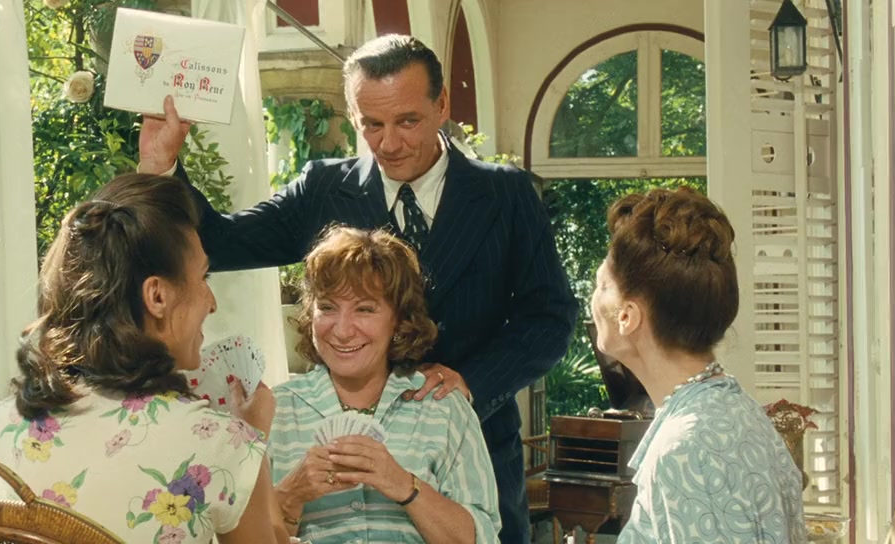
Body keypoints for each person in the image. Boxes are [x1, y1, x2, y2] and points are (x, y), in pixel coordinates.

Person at [138, 34, 576, 540]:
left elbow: (550, 318)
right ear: (352, 116)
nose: (389, 143)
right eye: (372, 124)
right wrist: (163, 167)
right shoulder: (324, 188)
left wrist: (471, 383)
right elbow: (221, 243)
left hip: (475, 447)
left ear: (441, 105)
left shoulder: (506, 194)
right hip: (334, 480)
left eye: (407, 121)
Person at [0, 174, 287, 544]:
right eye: (203, 277)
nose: (211, 302)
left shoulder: (0, 425)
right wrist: (252, 445)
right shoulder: (221, 445)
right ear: (157, 297)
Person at [591, 187, 806, 542]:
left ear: (627, 317)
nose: (592, 300)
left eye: (601, 285)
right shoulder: (730, 411)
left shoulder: (685, 450)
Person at [269, 226, 500, 543]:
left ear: (399, 320)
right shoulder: (273, 413)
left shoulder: (445, 408)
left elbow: (482, 538)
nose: (342, 330)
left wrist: (404, 485)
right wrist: (290, 495)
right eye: (327, 307)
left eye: (364, 309)